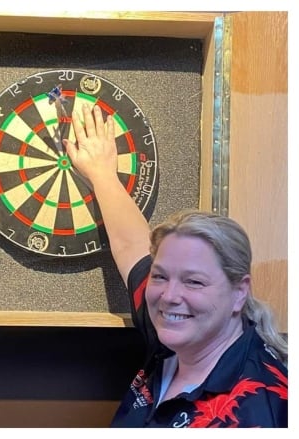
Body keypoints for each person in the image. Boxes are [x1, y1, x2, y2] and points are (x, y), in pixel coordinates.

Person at [65, 104, 288, 427]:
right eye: (160, 275)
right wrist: (101, 172)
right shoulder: (177, 335)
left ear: (239, 293)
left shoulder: (255, 410)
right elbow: (132, 246)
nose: (169, 295)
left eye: (194, 282)